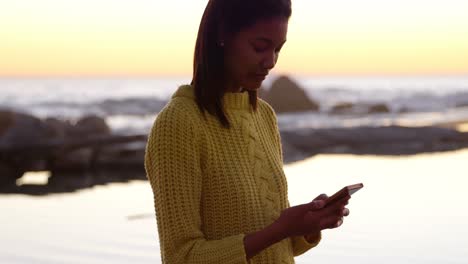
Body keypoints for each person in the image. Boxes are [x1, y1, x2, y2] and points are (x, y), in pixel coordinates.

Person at [144, 0, 350, 263]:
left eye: (278, 49)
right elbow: (180, 256)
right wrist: (279, 229)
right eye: (260, 47)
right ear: (222, 35)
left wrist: (307, 225)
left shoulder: (263, 116)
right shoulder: (179, 124)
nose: (271, 61)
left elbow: (275, 245)